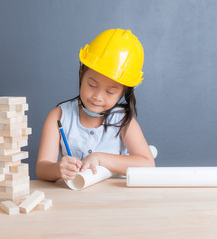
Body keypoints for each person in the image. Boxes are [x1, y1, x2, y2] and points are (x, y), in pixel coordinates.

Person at [36, 28, 155, 182]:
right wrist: (57, 169)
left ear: (123, 92)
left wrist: (99, 158)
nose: (98, 97)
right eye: (92, 85)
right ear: (81, 73)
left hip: (114, 200)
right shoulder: (58, 116)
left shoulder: (123, 121)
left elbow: (148, 164)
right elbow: (41, 168)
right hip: (72, 199)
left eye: (110, 92)